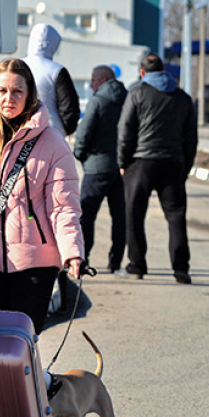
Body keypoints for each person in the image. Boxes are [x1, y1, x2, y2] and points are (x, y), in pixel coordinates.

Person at [0, 57, 85, 334]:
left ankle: (30, 379)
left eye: (18, 91)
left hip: (35, 264)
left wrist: (72, 252)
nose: (9, 98)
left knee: (22, 341)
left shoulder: (52, 142)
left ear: (29, 93)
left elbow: (63, 206)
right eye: (2, 91)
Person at [116, 53, 197, 284]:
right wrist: (185, 166)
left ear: (142, 73)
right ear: (165, 70)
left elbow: (125, 131)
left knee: (134, 215)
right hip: (173, 163)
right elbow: (191, 137)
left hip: (140, 163)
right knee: (176, 216)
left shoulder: (137, 94)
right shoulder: (182, 98)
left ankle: (137, 265)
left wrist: (122, 162)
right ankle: (181, 269)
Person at [73, 65, 127, 274]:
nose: (92, 84)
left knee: (86, 215)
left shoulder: (97, 101)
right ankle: (115, 262)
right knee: (119, 217)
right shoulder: (129, 99)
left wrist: (80, 154)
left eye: (94, 80)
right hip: (121, 167)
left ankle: (83, 261)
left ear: (103, 80)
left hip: (96, 167)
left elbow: (84, 133)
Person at [22, 23, 80, 136]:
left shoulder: (14, 66)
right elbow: (69, 107)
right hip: (51, 132)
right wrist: (66, 129)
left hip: (18, 131)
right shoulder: (57, 70)